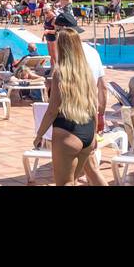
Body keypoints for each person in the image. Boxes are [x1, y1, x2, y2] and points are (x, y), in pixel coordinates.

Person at [33, 28, 99, 186]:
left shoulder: (60, 73)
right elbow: (94, 105)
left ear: (62, 47)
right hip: (88, 131)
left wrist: (39, 134)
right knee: (73, 181)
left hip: (67, 132)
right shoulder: (87, 72)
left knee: (65, 183)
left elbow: (52, 109)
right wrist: (94, 133)